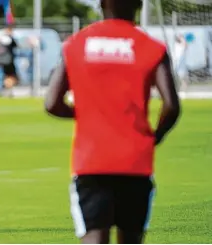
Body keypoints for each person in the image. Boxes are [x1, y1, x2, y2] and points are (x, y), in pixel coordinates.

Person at [44, 0, 181, 243]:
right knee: (130, 238)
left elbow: (51, 103)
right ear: (138, 4)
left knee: (94, 236)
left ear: (101, 4)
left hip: (91, 160)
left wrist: (88, 112)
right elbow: (171, 105)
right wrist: (154, 137)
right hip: (135, 160)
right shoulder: (152, 47)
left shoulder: (76, 44)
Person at [0, 24, 18, 97]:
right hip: (8, 61)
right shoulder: (8, 38)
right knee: (11, 76)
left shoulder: (0, 38)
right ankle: (8, 90)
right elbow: (15, 45)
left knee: (7, 76)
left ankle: (6, 90)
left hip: (2, 61)